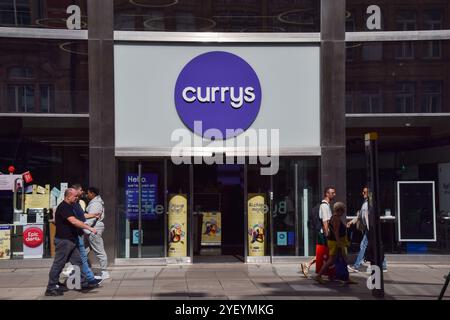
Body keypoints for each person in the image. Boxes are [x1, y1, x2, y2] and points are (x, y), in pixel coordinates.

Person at [45, 188, 98, 296]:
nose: (76, 198)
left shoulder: (70, 206)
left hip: (71, 240)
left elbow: (79, 217)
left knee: (78, 262)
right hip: (64, 241)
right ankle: (51, 287)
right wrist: (89, 228)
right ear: (68, 196)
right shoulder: (64, 207)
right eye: (75, 196)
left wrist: (92, 216)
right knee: (58, 264)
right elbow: (73, 221)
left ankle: (83, 283)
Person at [347, 186, 387, 273]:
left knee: (364, 245)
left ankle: (356, 266)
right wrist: (352, 222)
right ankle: (383, 265)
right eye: (363, 192)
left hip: (371, 228)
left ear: (369, 194)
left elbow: (370, 217)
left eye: (365, 192)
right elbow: (360, 216)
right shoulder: (366, 203)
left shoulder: (370, 204)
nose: (363, 193)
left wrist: (371, 228)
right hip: (369, 228)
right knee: (377, 245)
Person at [314, 202, 354, 284]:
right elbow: (336, 231)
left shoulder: (335, 218)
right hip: (335, 242)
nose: (343, 213)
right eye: (343, 211)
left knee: (337, 259)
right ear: (339, 210)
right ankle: (319, 276)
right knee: (333, 260)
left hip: (336, 242)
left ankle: (346, 277)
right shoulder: (336, 218)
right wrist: (339, 242)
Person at [301, 186, 336, 277]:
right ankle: (309, 266)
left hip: (324, 233)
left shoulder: (326, 205)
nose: (334, 194)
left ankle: (329, 273)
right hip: (324, 233)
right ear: (327, 194)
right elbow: (325, 222)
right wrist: (327, 235)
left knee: (326, 253)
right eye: (332, 193)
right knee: (326, 253)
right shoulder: (324, 206)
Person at [85, 187, 110, 280]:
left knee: (99, 250)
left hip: (93, 229)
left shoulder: (95, 204)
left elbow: (92, 218)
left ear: (92, 194)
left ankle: (104, 271)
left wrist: (85, 227)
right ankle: (78, 268)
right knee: (84, 250)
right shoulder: (96, 202)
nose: (87, 195)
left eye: (88, 193)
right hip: (91, 229)